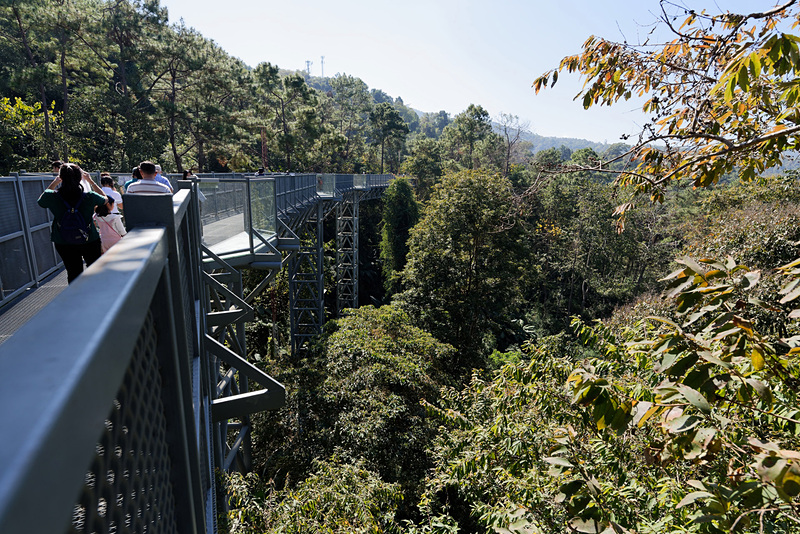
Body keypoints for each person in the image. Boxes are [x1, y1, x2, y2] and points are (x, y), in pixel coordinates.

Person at [37, 163, 108, 283]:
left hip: (63, 240)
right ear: (80, 178)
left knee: (73, 272)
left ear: (61, 178)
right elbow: (105, 199)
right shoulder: (89, 196)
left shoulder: (52, 196)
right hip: (89, 238)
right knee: (95, 270)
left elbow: (41, 201)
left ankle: (76, 298)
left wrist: (55, 182)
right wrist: (91, 182)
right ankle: (97, 297)